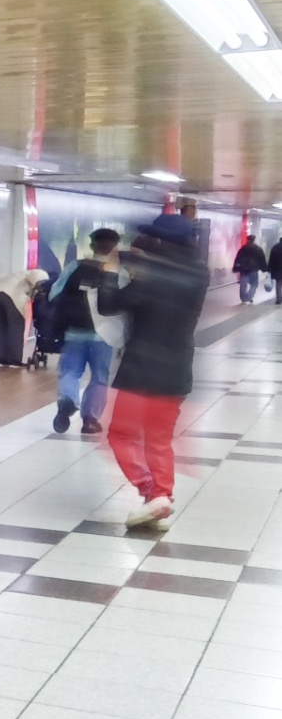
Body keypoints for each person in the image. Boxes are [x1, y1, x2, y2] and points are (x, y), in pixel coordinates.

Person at [97, 214, 208, 530]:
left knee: (121, 434)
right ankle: (161, 498)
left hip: (142, 370)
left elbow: (109, 305)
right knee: (159, 439)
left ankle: (152, 492)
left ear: (160, 242)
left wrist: (108, 272)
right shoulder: (199, 274)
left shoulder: (151, 275)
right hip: (177, 368)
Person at [48, 229, 121, 435]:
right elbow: (124, 305)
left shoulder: (75, 267)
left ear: (92, 245)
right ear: (115, 247)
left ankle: (67, 402)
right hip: (104, 335)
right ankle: (90, 420)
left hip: (74, 332)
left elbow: (55, 293)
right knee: (99, 376)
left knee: (70, 371)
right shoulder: (119, 273)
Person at [0, 269, 48, 367]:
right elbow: (35, 278)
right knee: (16, 326)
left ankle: (1, 359)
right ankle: (14, 360)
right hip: (9, 295)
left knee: (2, 327)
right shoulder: (41, 273)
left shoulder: (20, 274)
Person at [233, 234, 267, 303]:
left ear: (248, 240)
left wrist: (236, 267)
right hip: (254, 270)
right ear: (254, 240)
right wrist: (264, 268)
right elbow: (261, 259)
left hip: (244, 269)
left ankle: (243, 298)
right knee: (254, 284)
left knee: (243, 284)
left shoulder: (243, 248)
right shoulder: (258, 249)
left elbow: (238, 258)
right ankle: (250, 296)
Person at [269, 233, 282, 303]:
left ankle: (279, 299)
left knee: (278, 284)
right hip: (278, 269)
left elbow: (271, 259)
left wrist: (269, 268)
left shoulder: (275, 247)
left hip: (277, 269)